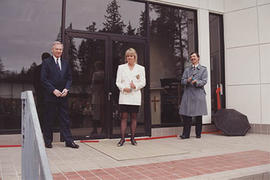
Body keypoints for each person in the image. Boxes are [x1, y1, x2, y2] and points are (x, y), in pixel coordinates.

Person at [41, 41, 79, 148]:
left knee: (65, 119)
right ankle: (48, 141)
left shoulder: (66, 63)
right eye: (57, 49)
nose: (59, 51)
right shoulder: (46, 62)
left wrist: (66, 89)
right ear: (52, 50)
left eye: (60, 49)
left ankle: (68, 141)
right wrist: (53, 90)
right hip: (51, 96)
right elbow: (43, 79)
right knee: (49, 119)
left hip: (63, 96)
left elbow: (69, 78)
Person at [115, 48, 146, 146]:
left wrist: (135, 86)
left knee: (134, 117)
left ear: (135, 57)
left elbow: (143, 82)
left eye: (131, 56)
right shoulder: (121, 68)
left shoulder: (141, 68)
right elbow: (117, 82)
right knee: (123, 117)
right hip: (124, 96)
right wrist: (124, 88)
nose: (129, 58)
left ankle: (132, 138)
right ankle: (122, 139)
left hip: (134, 96)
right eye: (128, 56)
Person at [179, 52, 208, 139]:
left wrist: (197, 82)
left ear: (198, 58)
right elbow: (182, 81)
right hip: (188, 94)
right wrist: (187, 81)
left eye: (194, 56)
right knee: (186, 115)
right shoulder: (187, 70)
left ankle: (198, 134)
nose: (192, 58)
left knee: (198, 115)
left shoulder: (203, 69)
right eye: (191, 57)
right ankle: (186, 134)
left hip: (198, 94)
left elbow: (204, 81)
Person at [33, 52, 51, 130]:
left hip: (43, 94)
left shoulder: (38, 69)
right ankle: (42, 127)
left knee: (44, 111)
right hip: (44, 95)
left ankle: (41, 127)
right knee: (44, 111)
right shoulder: (49, 70)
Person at [90, 61, 105, 136]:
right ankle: (103, 129)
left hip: (96, 96)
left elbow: (92, 86)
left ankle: (95, 129)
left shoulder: (95, 74)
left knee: (95, 113)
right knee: (102, 113)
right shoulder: (105, 74)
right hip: (103, 96)